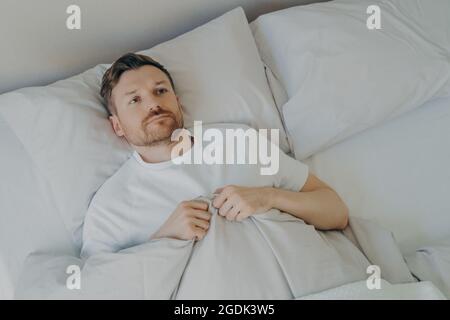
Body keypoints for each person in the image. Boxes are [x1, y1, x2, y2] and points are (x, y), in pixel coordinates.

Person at [80, 52, 349, 259]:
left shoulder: (237, 140)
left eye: (160, 91)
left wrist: (269, 197)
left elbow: (335, 211)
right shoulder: (110, 207)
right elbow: (100, 287)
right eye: (134, 100)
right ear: (117, 126)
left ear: (177, 100)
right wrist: (164, 238)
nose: (153, 104)